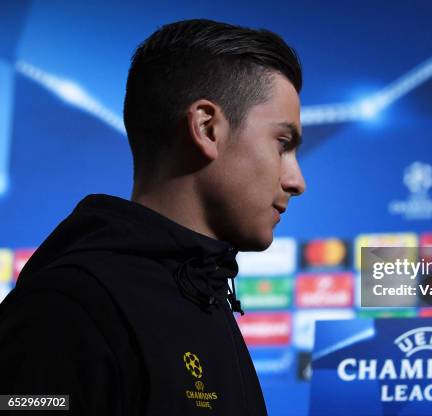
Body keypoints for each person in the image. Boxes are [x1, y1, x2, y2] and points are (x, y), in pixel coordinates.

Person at [0, 18, 305, 415]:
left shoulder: (204, 291)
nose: (297, 181)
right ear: (207, 128)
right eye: (282, 143)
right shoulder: (65, 309)